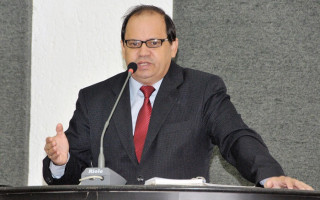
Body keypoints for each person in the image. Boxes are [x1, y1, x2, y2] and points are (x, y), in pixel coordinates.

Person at [43, 5, 313, 190]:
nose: (143, 52)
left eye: (153, 42)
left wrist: (269, 174)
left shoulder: (202, 90)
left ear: (173, 46)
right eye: (134, 43)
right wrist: (61, 161)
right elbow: (72, 171)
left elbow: (235, 137)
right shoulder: (97, 98)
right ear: (124, 48)